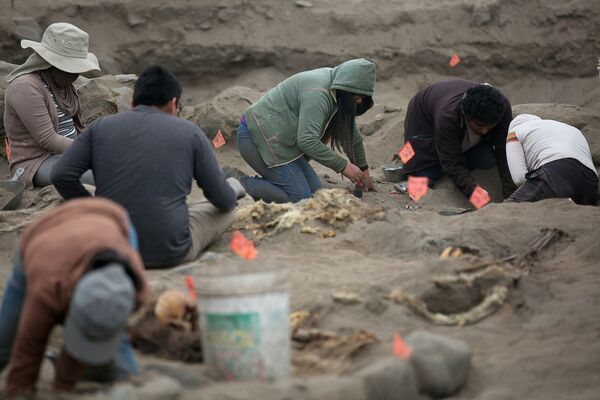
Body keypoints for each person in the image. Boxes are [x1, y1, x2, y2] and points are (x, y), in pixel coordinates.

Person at [51, 65, 244, 268]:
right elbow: (222, 200)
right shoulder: (190, 132)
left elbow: (61, 175)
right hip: (169, 251)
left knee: (79, 198)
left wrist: (96, 210)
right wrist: (230, 193)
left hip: (112, 247)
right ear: (172, 104)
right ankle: (235, 186)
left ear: (133, 102)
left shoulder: (100, 127)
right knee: (227, 210)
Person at [0, 198, 148, 398]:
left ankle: (126, 376)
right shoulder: (46, 290)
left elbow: (95, 323)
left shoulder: (135, 288)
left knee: (104, 322)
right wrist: (19, 391)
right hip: (43, 235)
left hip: (112, 218)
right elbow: (28, 353)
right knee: (6, 339)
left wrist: (64, 389)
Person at [229, 58, 377, 203]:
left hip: (282, 145)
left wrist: (364, 172)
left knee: (316, 193)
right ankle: (236, 181)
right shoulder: (319, 93)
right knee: (300, 198)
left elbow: (352, 135)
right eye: (357, 97)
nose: (359, 102)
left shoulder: (338, 89)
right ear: (348, 87)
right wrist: (344, 166)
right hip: (257, 138)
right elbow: (307, 140)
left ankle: (273, 182)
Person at [3, 22, 99, 188]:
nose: (76, 74)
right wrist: (90, 150)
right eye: (71, 68)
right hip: (36, 163)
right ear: (50, 63)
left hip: (68, 154)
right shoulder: (25, 87)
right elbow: (48, 139)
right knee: (102, 174)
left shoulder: (62, 85)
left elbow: (77, 129)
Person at [401, 79, 517, 200]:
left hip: (456, 125)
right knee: (425, 176)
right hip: (424, 119)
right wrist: (476, 196)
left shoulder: (501, 107)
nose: (484, 131)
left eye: (490, 126)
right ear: (465, 114)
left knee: (487, 159)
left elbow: (504, 149)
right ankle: (411, 160)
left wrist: (511, 192)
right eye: (479, 125)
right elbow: (452, 162)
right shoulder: (447, 116)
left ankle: (457, 157)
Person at [505, 114, 598, 205]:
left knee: (509, 208)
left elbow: (519, 179)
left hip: (556, 173)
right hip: (590, 181)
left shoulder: (514, 132)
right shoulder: (571, 129)